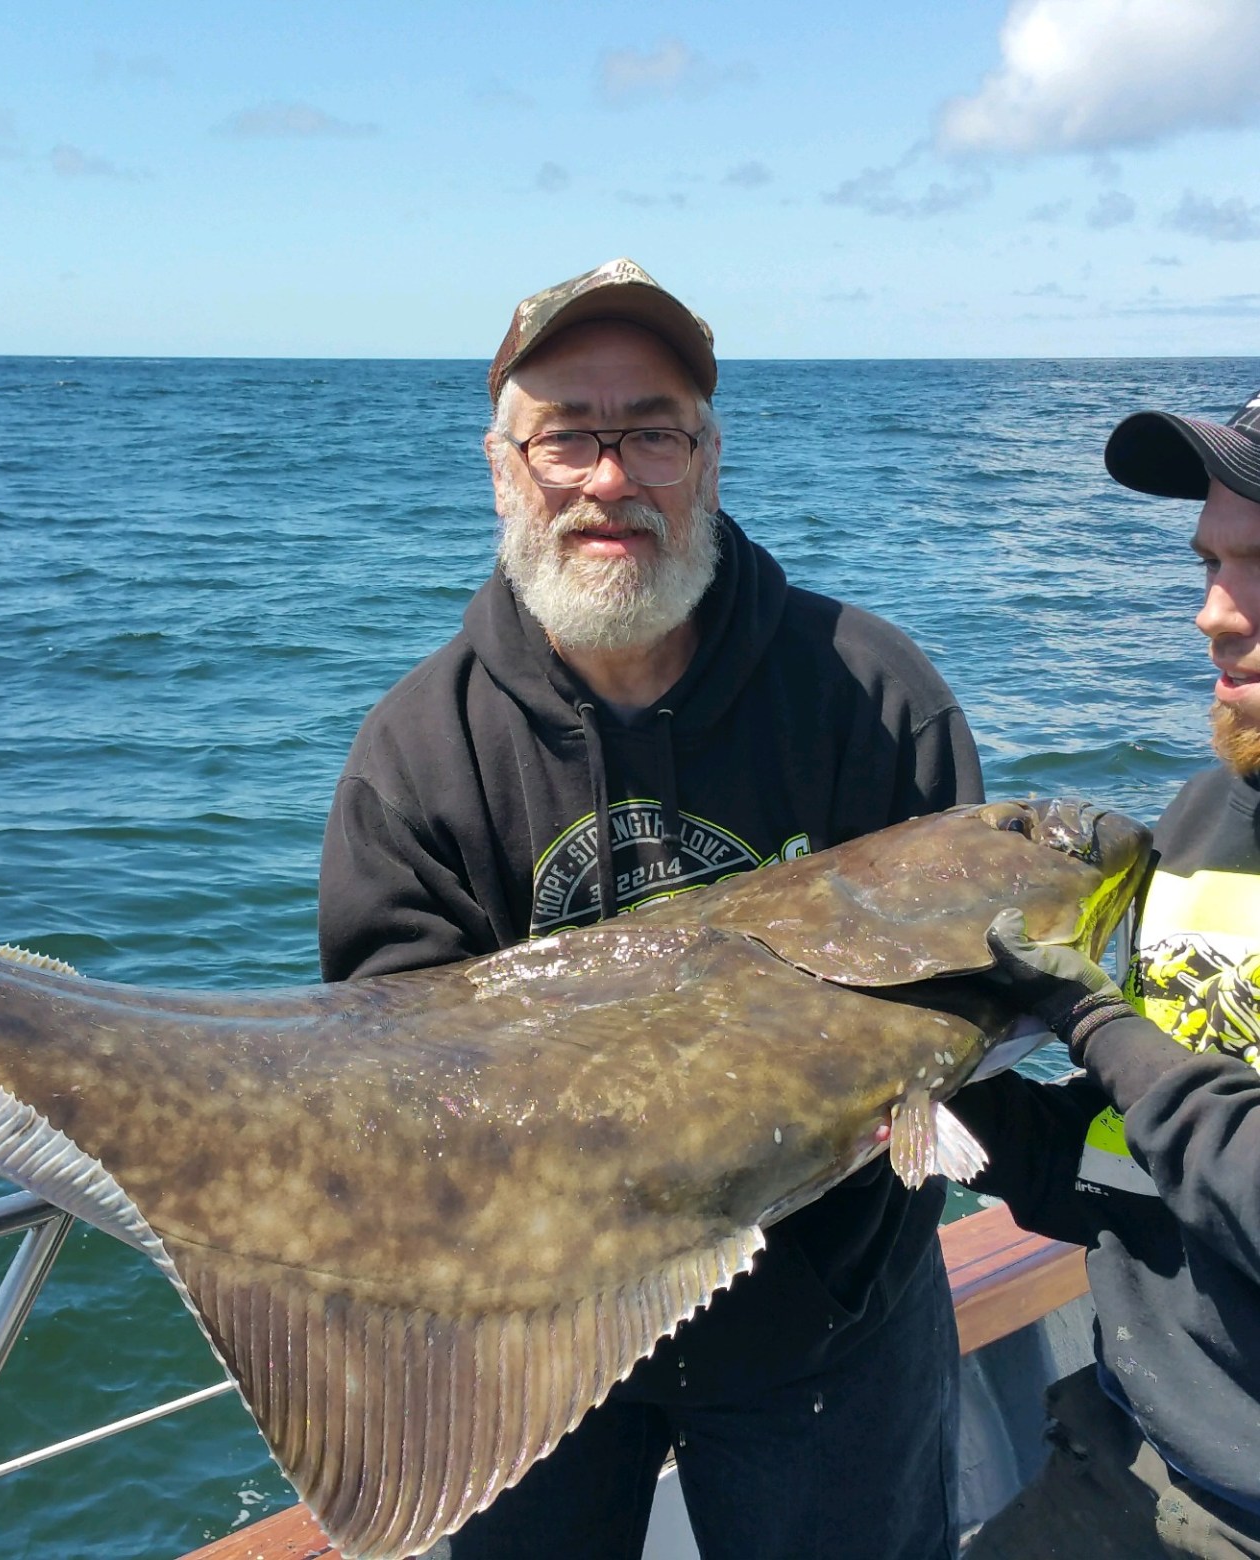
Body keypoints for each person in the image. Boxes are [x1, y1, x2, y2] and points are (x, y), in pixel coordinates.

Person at [317, 258, 983, 1560]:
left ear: (710, 456)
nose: (611, 478)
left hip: (828, 1330)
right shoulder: (412, 760)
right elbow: (392, 1079)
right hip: (530, 1341)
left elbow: (963, 1008)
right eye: (569, 433)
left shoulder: (879, 698)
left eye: (653, 431)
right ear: (504, 466)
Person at [954, 389, 1260, 1559]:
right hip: (1130, 1454)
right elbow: (1130, 1167)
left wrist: (1096, 1020)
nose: (1214, 615)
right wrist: (925, 1097)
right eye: (1210, 562)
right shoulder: (1196, 821)